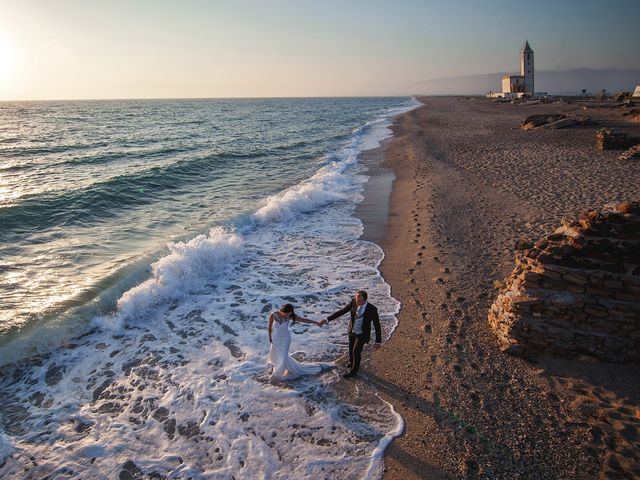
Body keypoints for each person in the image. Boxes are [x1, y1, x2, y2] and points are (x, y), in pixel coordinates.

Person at [325, 290, 381, 379]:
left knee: (356, 351)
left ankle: (354, 371)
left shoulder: (372, 309)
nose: (357, 302)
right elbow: (342, 311)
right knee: (351, 349)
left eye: (359, 300)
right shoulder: (353, 302)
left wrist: (378, 341)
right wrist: (327, 319)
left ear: (365, 300)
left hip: (362, 333)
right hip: (352, 331)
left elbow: (377, 325)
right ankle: (351, 362)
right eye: (356, 299)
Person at [267, 303, 323, 382]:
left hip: (285, 339)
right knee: (276, 354)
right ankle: (279, 367)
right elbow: (269, 327)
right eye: (286, 313)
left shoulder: (290, 316)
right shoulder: (274, 315)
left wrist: (315, 322)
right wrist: (270, 337)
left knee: (283, 356)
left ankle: (278, 374)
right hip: (276, 339)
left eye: (289, 314)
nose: (287, 315)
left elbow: (303, 320)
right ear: (282, 310)